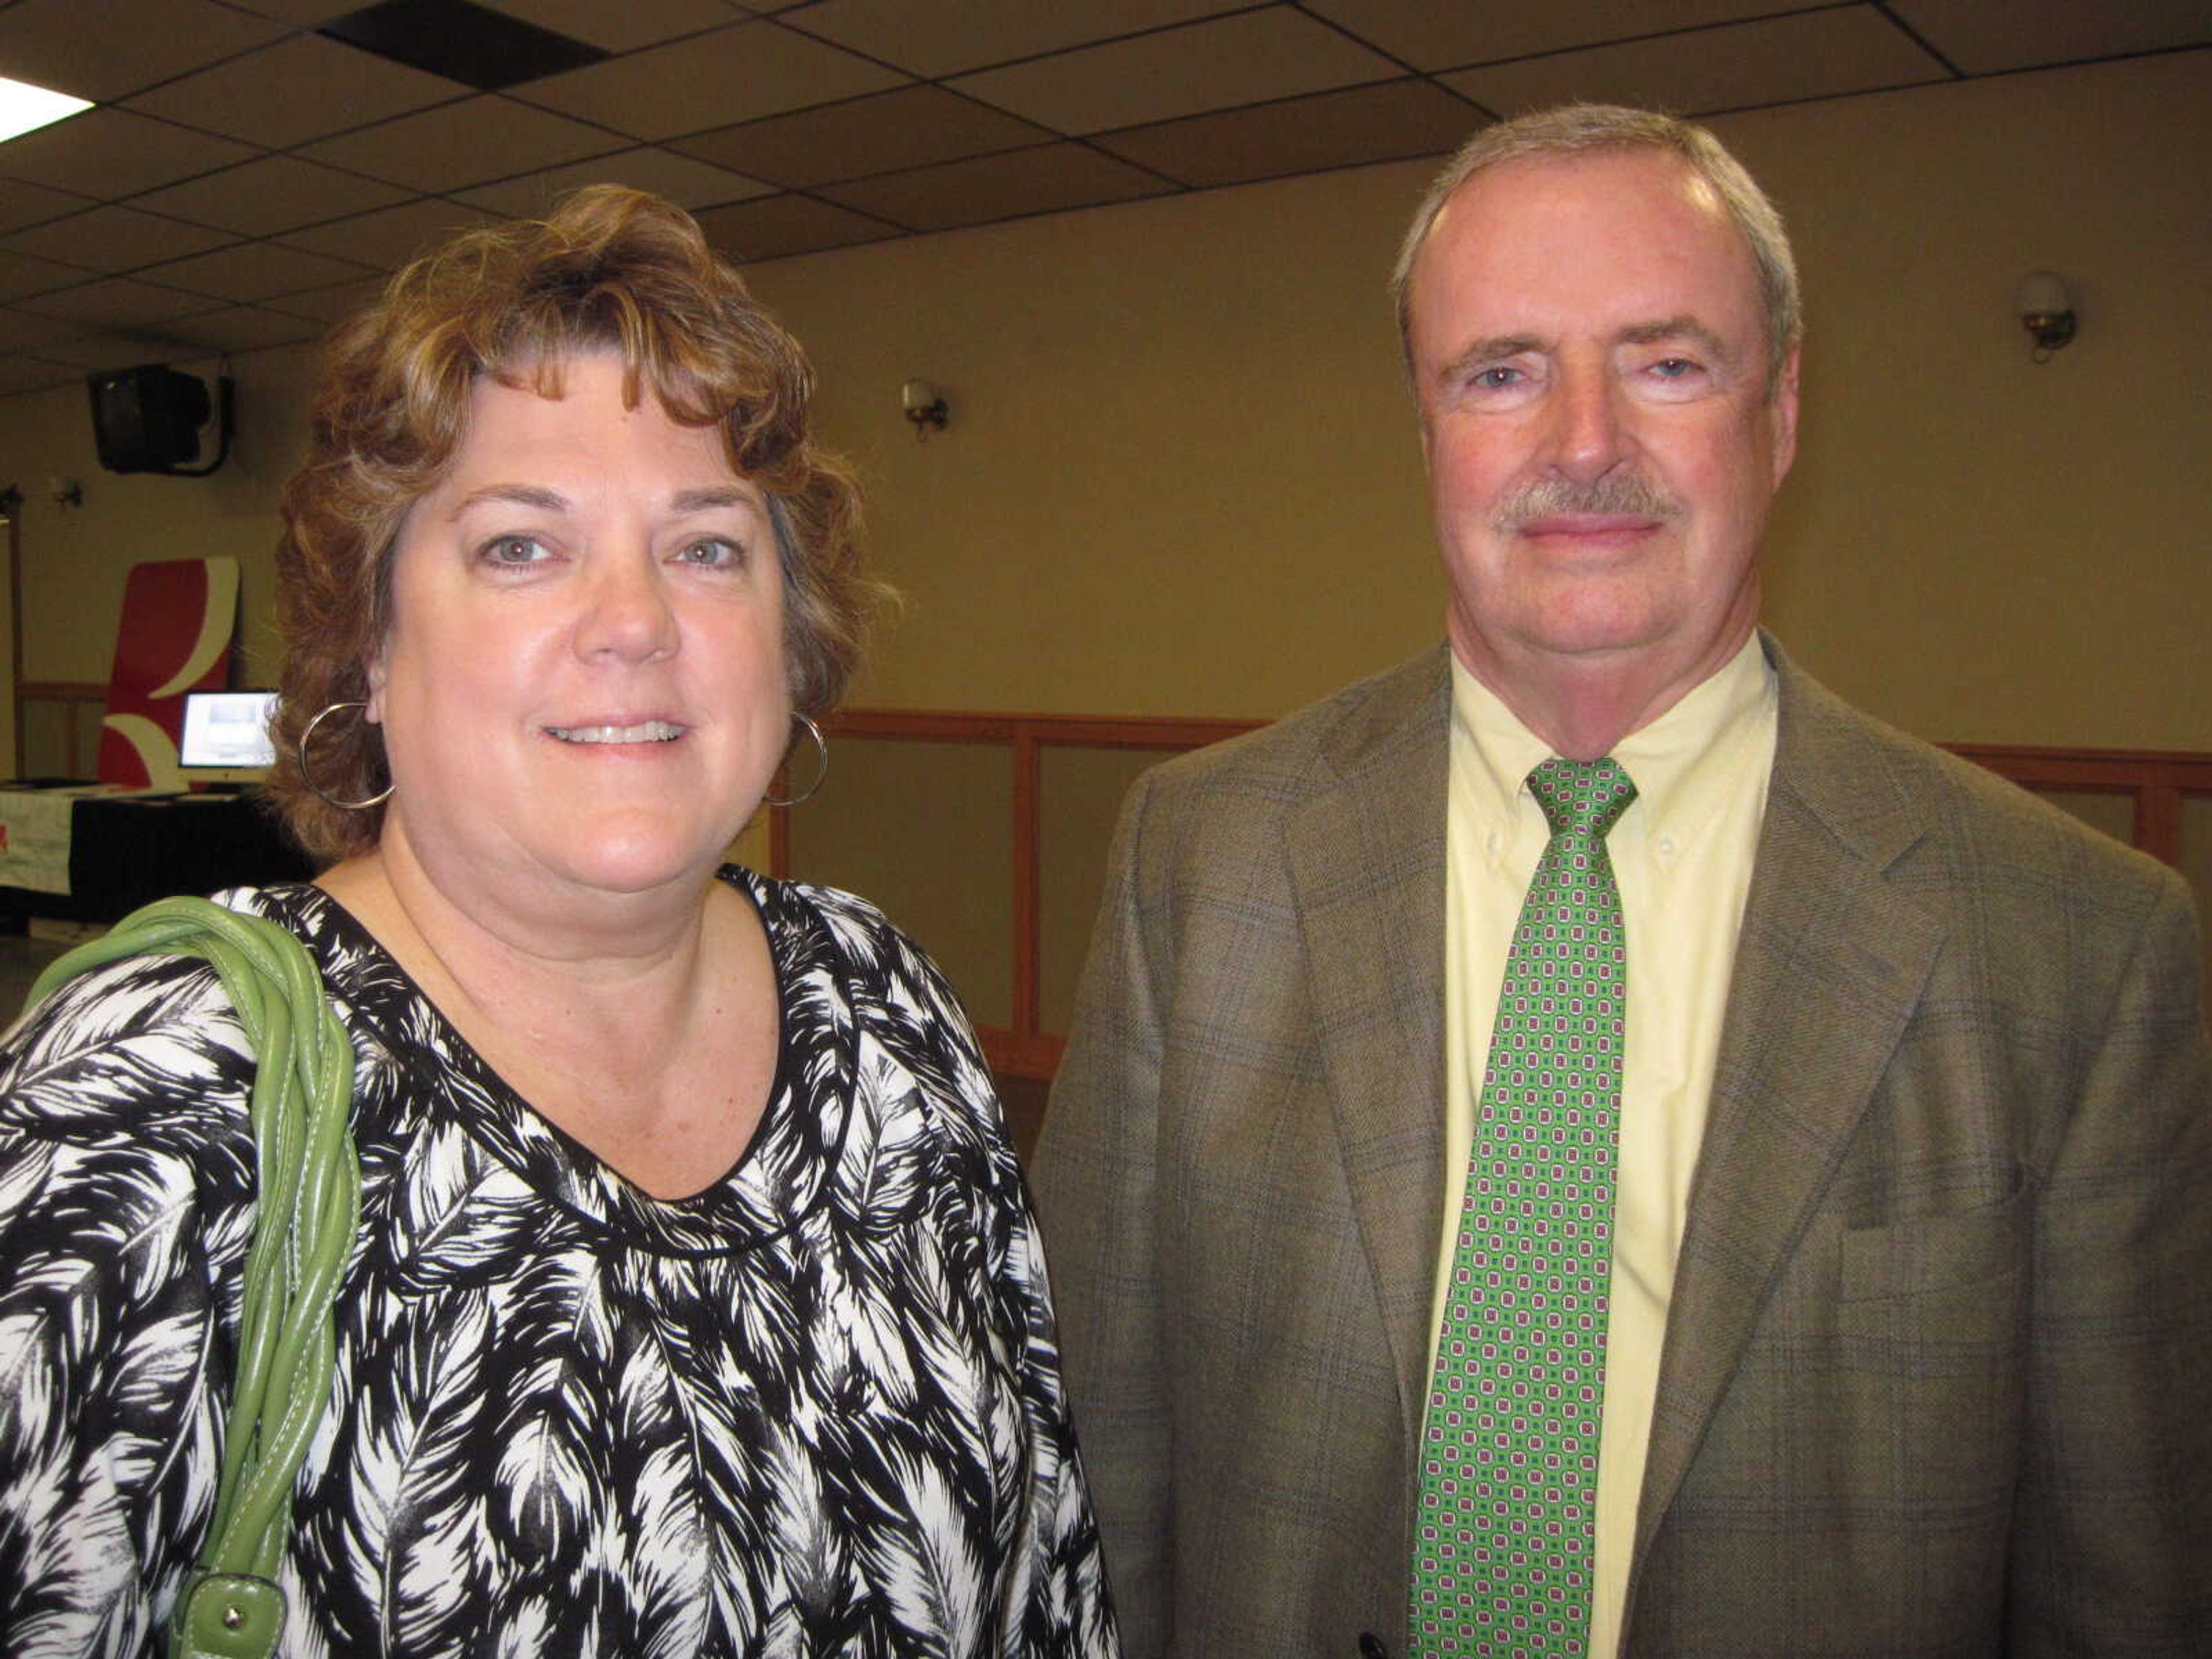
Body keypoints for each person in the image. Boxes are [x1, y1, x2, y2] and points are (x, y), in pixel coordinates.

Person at [1034, 103, 2210, 1658]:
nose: (1582, 444)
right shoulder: (1200, 864)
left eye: (1665, 362)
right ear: (1428, 427)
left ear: (1779, 416)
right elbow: (1090, 1483)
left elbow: (2127, 1598)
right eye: (1502, 372)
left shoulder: (2080, 948)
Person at [0, 187, 1117, 1657]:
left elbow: (1050, 1578)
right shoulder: (150, 1094)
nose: (633, 619)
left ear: (789, 636)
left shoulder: (880, 1004)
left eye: (708, 546)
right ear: (374, 649)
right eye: (521, 546)